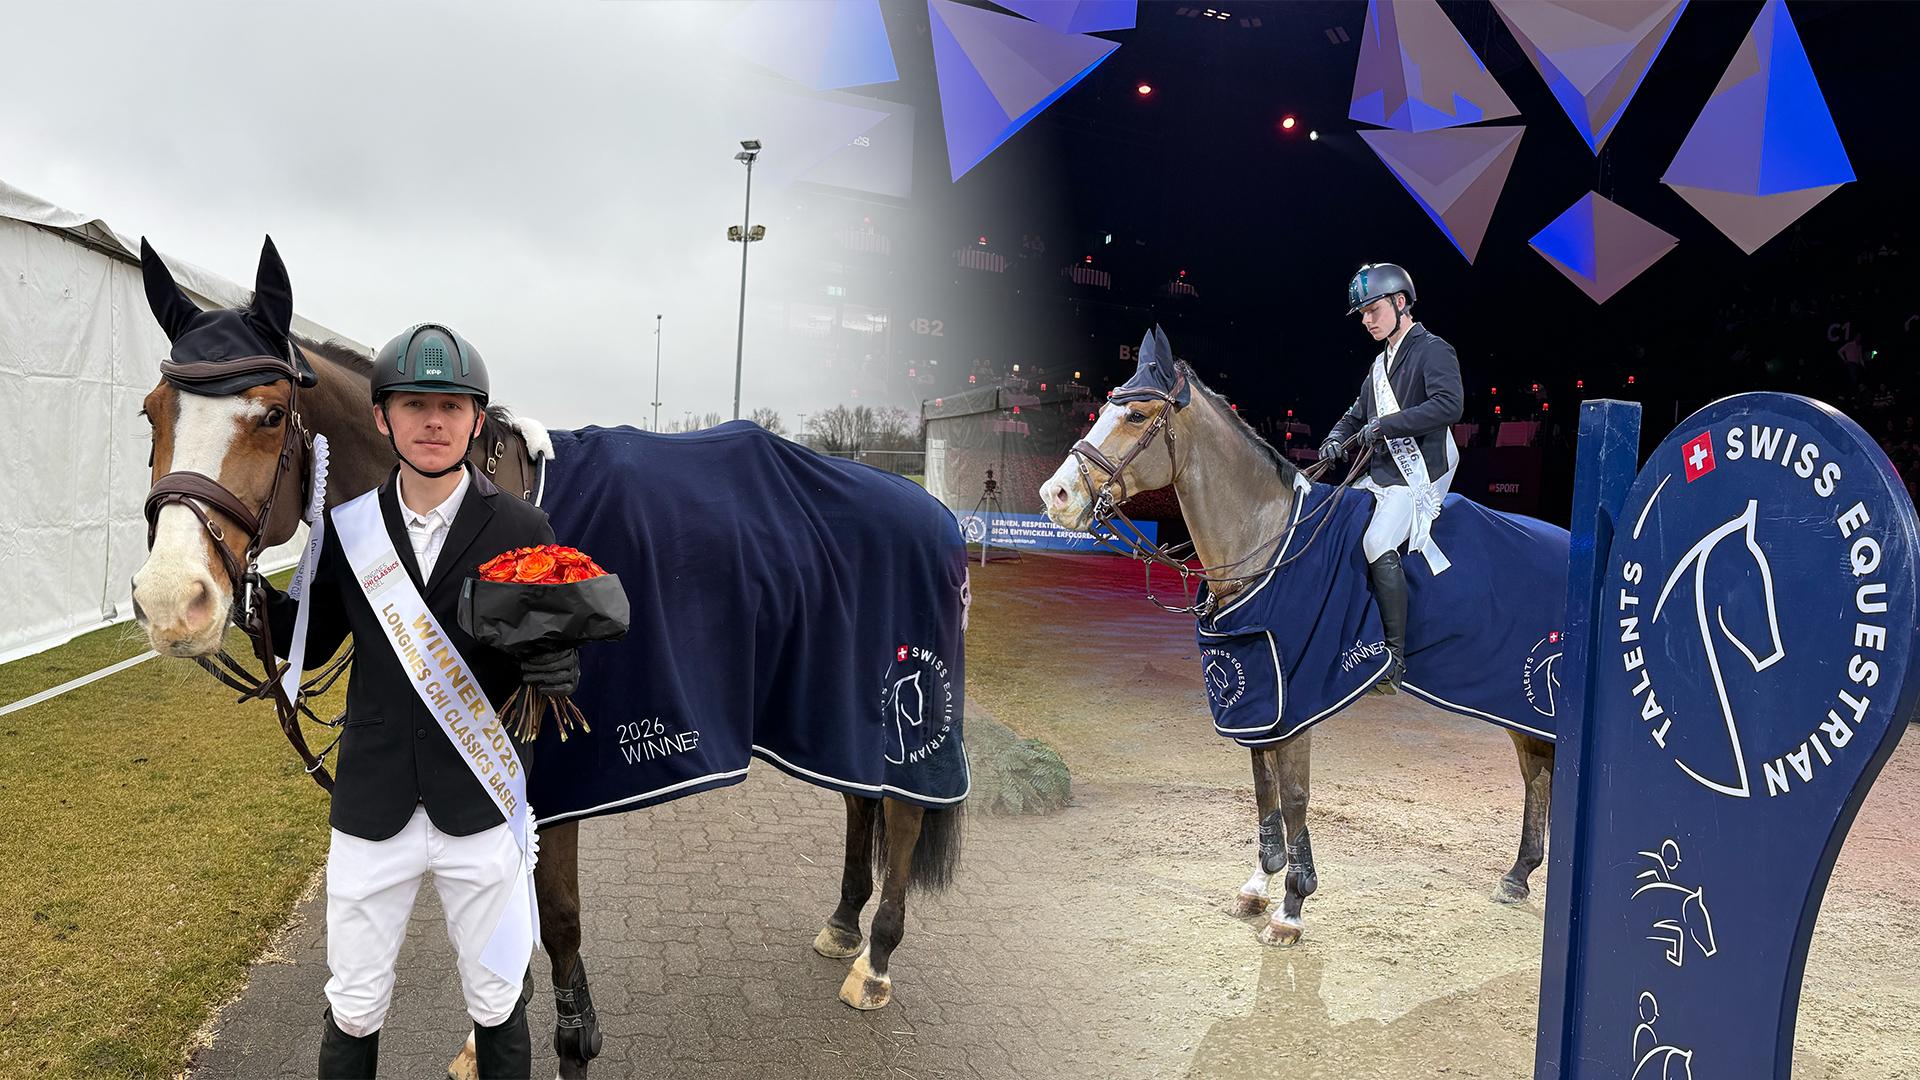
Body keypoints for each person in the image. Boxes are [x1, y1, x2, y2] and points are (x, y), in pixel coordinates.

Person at [256, 324, 578, 1078]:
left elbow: (554, 646)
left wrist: (561, 664)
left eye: (451, 406)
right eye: (413, 405)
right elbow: (312, 640)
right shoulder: (345, 530)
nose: (433, 421)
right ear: (382, 417)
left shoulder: (523, 527)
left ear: (476, 419)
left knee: (497, 999)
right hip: (373, 805)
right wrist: (242, 592)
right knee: (354, 1003)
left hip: (481, 801)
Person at [1319, 264, 1464, 694]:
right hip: (1379, 475)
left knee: (1377, 541)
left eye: (1373, 310)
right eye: (1362, 314)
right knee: (1333, 526)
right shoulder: (1380, 364)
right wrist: (1335, 438)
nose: (1367, 320)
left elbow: (1449, 405)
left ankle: (1394, 660)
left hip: (1416, 477)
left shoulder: (1433, 349)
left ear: (1401, 303)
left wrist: (1386, 425)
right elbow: (1356, 414)